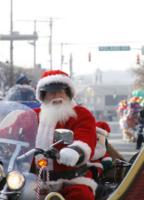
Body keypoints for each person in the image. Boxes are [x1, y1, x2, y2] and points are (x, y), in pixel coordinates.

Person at [34, 70, 97, 200]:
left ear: (68, 93)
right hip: (35, 179)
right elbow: (12, 132)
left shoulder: (81, 114)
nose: (57, 95)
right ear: (43, 95)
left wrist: (75, 151)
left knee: (81, 195)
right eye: (51, 92)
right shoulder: (32, 116)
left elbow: (86, 137)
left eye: (61, 90)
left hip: (71, 179)